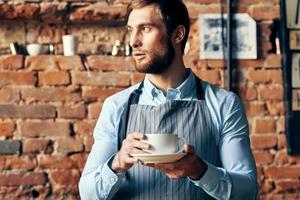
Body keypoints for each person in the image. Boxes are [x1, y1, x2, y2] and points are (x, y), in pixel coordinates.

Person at [79, 0, 258, 199]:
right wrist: (117, 164)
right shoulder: (116, 106)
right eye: (131, 30)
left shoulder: (224, 104)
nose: (133, 42)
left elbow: (248, 191)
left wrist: (200, 171)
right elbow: (87, 194)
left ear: (178, 34)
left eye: (145, 29)